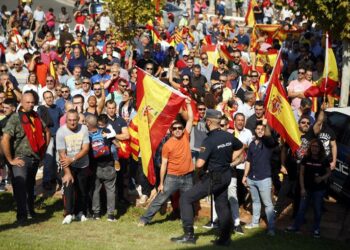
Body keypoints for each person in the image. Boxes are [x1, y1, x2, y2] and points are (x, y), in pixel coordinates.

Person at [171, 109, 244, 246]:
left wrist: (197, 168)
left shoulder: (209, 140)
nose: (204, 123)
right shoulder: (227, 136)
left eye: (205, 121)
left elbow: (199, 163)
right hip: (227, 175)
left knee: (186, 198)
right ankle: (225, 238)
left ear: (209, 122)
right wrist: (229, 160)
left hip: (214, 177)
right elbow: (241, 147)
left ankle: (189, 235)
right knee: (221, 204)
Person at [138, 97, 193, 226]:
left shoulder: (186, 136)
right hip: (172, 177)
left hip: (188, 176)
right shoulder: (167, 144)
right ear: (171, 130)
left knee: (187, 200)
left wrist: (188, 104)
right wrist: (161, 183)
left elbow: (190, 119)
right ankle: (144, 219)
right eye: (175, 128)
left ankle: (188, 223)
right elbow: (163, 165)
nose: (178, 130)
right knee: (160, 198)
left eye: (180, 127)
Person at [1, 92, 50, 223]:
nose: (30, 105)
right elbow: (5, 139)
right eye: (28, 102)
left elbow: (47, 131)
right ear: (21, 102)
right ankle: (21, 216)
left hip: (34, 158)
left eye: (32, 102)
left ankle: (30, 211)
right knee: (20, 185)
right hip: (20, 158)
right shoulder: (15, 118)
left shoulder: (36, 116)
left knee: (29, 186)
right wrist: (10, 160)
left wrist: (43, 152)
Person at [286, 139, 331, 238]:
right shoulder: (306, 158)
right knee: (301, 209)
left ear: (320, 148)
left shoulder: (324, 159)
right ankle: (295, 227)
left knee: (317, 210)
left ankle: (316, 229)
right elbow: (301, 174)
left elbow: (329, 172)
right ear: (310, 147)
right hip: (306, 188)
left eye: (317, 147)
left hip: (319, 190)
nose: (315, 148)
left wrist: (321, 178)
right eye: (313, 146)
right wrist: (302, 188)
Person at [242, 119, 277, 236]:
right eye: (258, 129)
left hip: (264, 178)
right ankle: (255, 222)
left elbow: (269, 137)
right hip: (252, 178)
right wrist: (245, 175)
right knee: (255, 202)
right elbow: (248, 161)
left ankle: (271, 228)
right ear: (255, 131)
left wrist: (266, 125)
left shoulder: (268, 142)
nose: (260, 131)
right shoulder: (252, 144)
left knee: (268, 204)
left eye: (262, 129)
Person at [56, 109, 90, 224]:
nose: (72, 122)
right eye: (70, 120)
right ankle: (68, 213)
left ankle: (80, 212)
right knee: (68, 187)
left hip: (82, 164)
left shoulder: (84, 128)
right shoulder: (61, 132)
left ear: (78, 119)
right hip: (67, 165)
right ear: (66, 120)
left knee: (82, 190)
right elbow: (61, 154)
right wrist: (67, 172)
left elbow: (86, 148)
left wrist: (73, 159)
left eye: (75, 120)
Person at [85, 114, 116, 222]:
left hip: (95, 167)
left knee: (95, 191)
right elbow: (114, 145)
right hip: (109, 166)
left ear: (88, 124)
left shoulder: (87, 137)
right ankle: (111, 215)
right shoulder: (105, 132)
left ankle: (96, 214)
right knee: (111, 191)